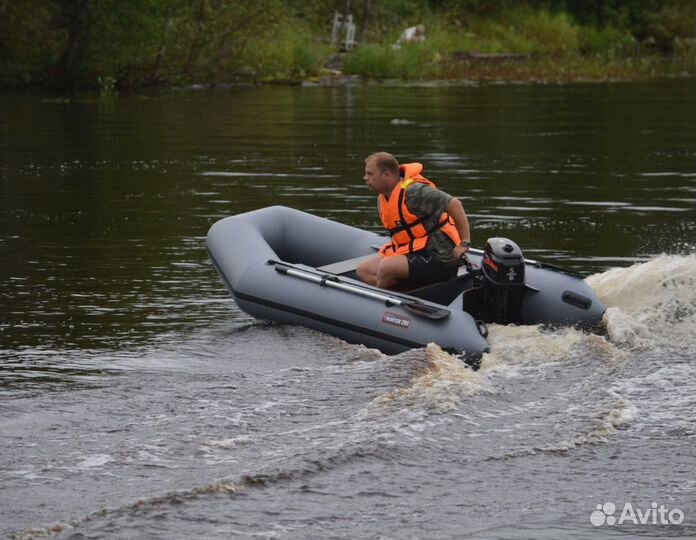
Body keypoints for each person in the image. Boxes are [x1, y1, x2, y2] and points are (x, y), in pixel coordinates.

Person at [356, 152, 471, 289]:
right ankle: (398, 289)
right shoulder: (384, 197)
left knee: (386, 268)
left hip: (439, 257)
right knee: (363, 270)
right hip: (414, 251)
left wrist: (464, 243)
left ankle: (385, 299)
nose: (365, 178)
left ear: (386, 175)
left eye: (370, 174)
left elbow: (455, 205)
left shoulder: (414, 192)